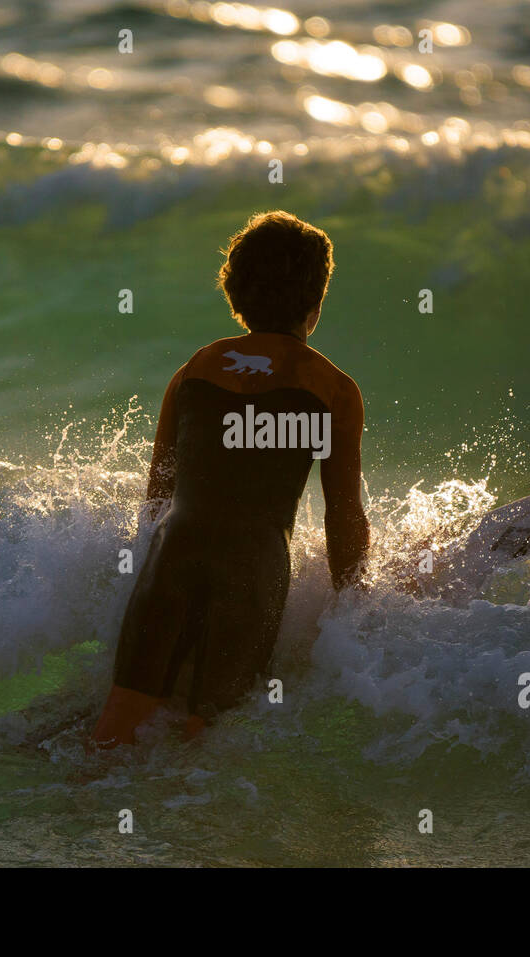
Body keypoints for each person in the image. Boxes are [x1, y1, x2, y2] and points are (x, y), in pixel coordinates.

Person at [91, 210, 370, 747]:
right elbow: (343, 516)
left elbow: (157, 498)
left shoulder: (194, 370)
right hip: (253, 572)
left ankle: (76, 822)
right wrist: (358, 609)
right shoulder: (333, 389)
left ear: (236, 293)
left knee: (113, 735)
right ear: (315, 302)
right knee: (202, 745)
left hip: (172, 557)